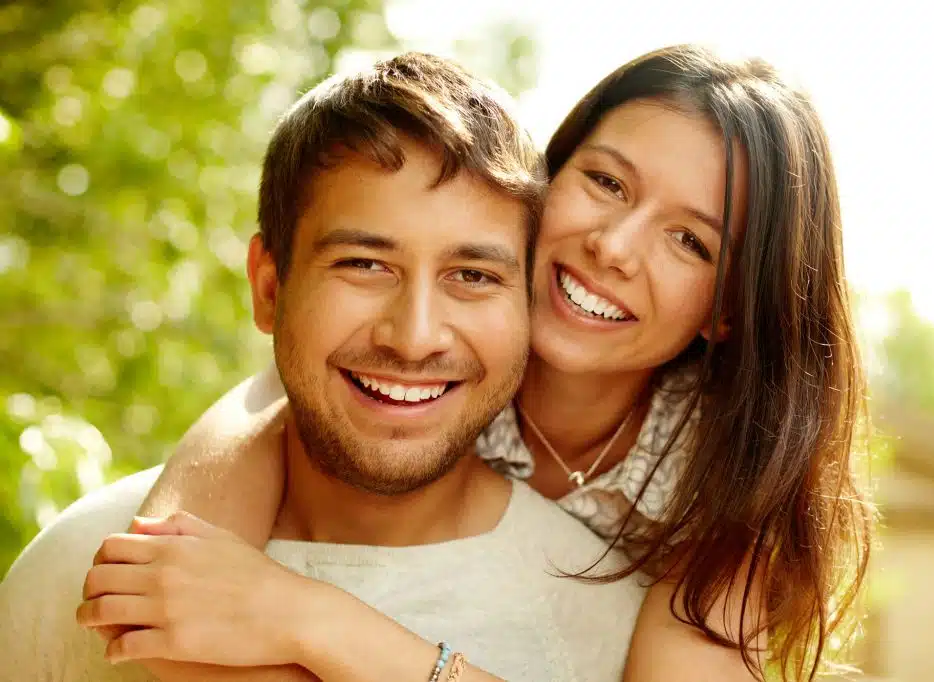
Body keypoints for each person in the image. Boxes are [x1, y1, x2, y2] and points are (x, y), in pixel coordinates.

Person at [111, 44, 874, 681]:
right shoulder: (419, 353)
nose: (613, 246)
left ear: (732, 309)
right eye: (605, 183)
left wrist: (316, 620)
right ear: (540, 185)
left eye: (690, 241)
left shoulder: (732, 492)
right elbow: (162, 584)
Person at [0, 52, 647, 682]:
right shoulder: (71, 568)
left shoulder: (609, 628)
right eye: (365, 265)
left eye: (472, 276)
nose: (415, 337)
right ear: (269, 288)